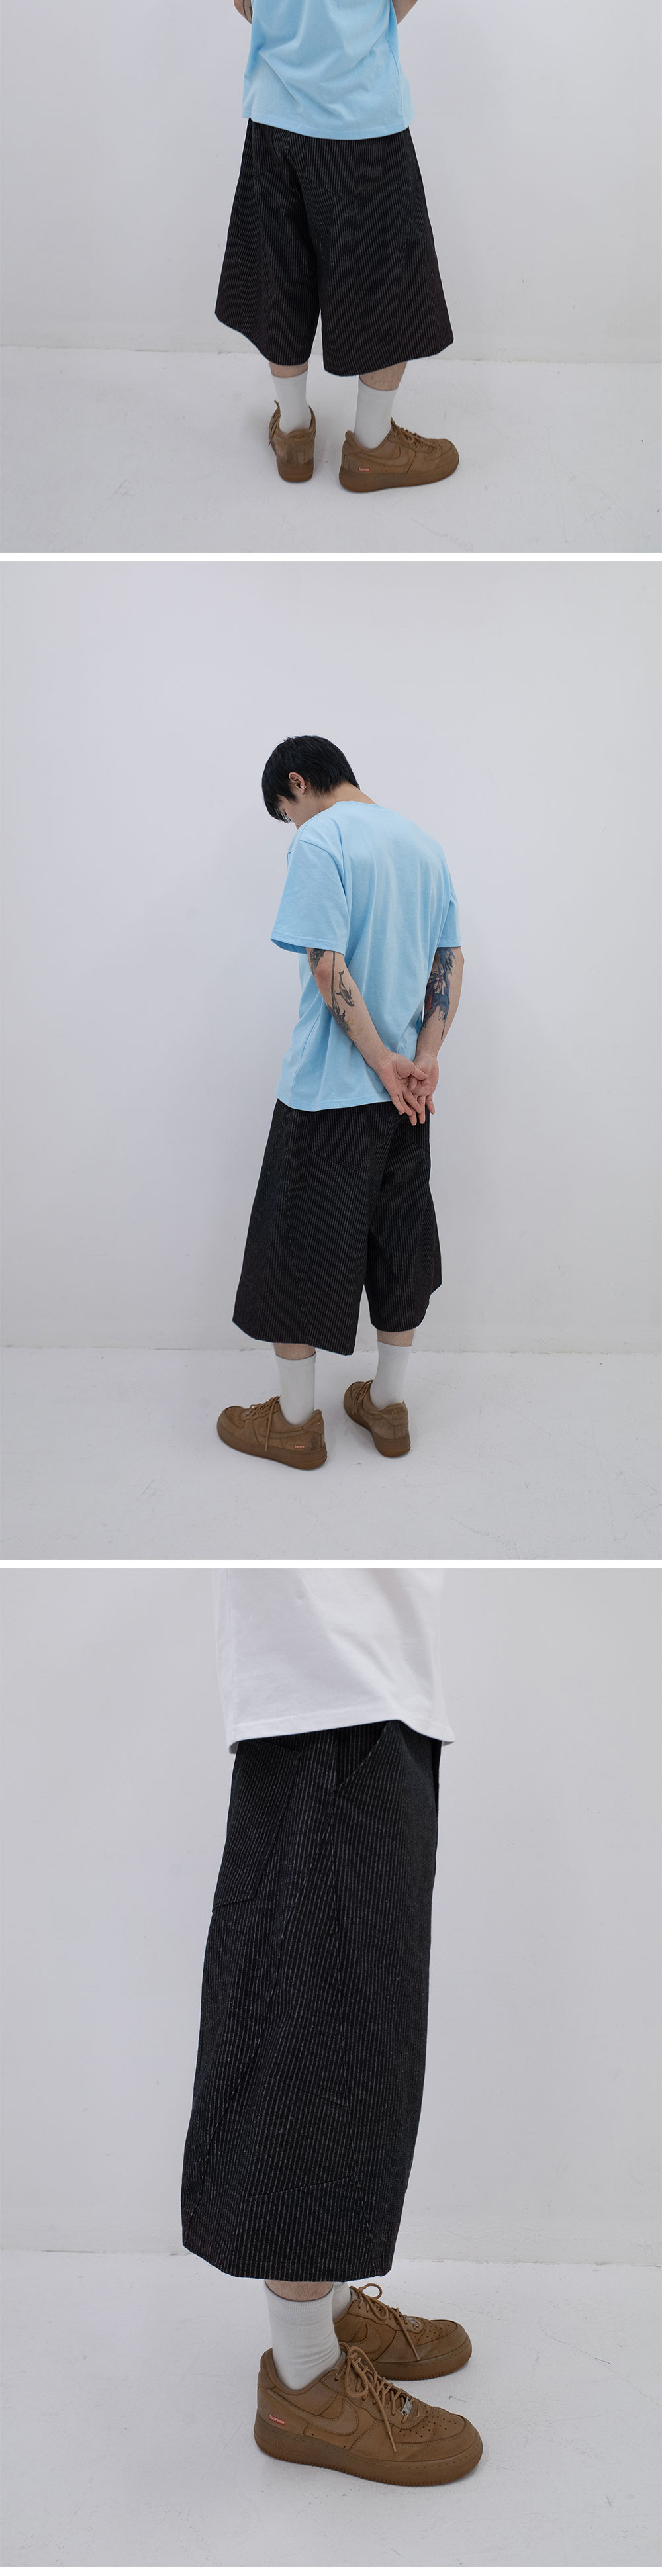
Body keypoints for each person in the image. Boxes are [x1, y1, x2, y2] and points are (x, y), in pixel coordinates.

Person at [181, 1562, 483, 2488]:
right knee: (317, 2032)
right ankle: (305, 2378)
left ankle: (333, 2309)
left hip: (381, 1693)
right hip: (325, 1694)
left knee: (363, 2028)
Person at [210, 0, 459, 498]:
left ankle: (292, 432)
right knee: (385, 283)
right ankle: (372, 447)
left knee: (278, 276)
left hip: (274, 120)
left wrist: (296, 39)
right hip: (362, 121)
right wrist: (358, 38)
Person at [218, 730, 463, 1472]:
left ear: (297, 782)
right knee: (399, 1243)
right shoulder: (423, 844)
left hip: (330, 1092)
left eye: (284, 812)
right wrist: (422, 1060)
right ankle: (387, 1405)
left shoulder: (321, 838)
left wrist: (380, 1062)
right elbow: (448, 960)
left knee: (295, 1250)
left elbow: (326, 964)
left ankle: (295, 1424)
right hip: (406, 1099)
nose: (290, 825)